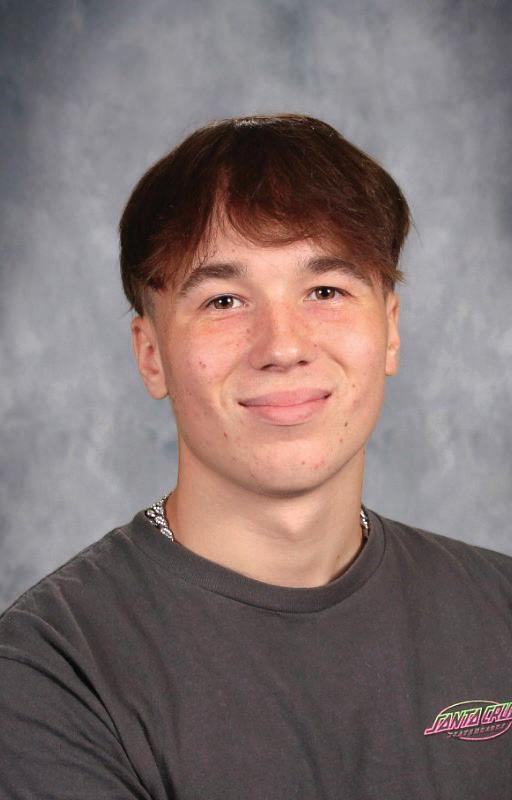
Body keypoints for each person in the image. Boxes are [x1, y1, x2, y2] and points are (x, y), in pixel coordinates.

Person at [1, 114, 511, 799]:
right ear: (151, 355)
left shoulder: (501, 611)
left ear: (390, 330)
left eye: (325, 291)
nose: (283, 346)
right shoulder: (49, 673)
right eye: (224, 300)